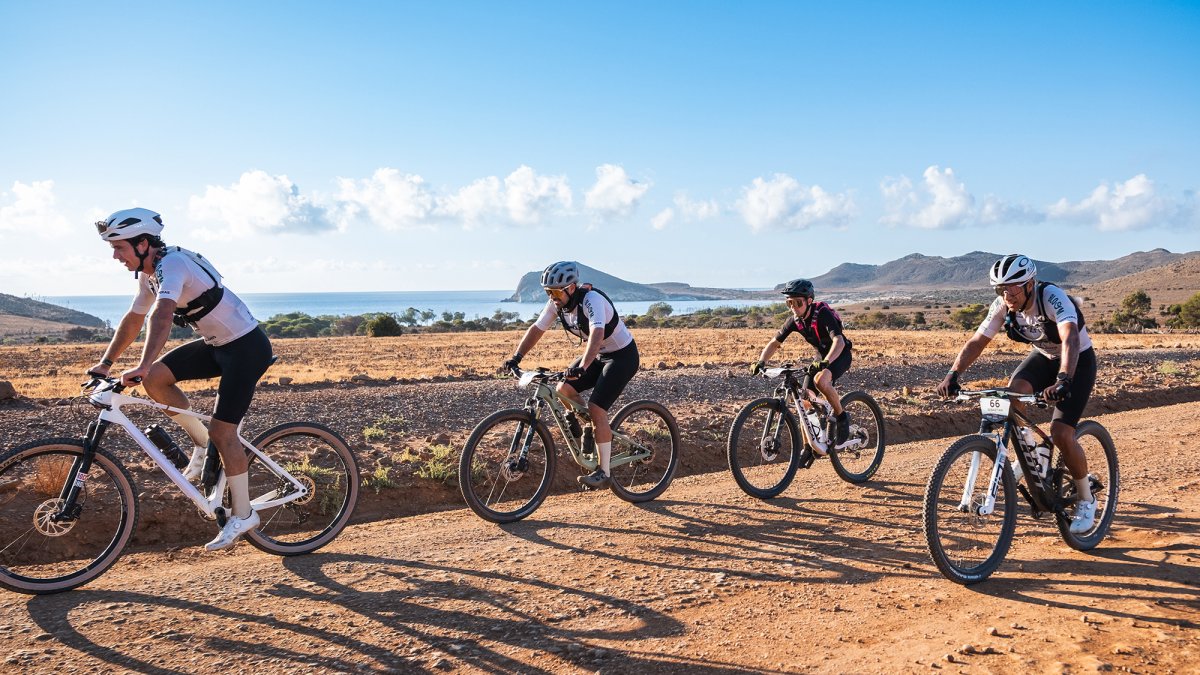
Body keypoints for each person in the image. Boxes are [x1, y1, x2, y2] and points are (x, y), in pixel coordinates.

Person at [89, 208, 274, 551]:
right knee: (157, 380)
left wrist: (142, 363)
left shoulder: (171, 266)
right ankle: (204, 446)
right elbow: (134, 318)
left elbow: (161, 314)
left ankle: (244, 513)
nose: (115, 256)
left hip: (247, 347)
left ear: (143, 243)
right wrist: (105, 363)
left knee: (224, 431)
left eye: (120, 248)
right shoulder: (149, 275)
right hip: (216, 345)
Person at [936, 253, 1098, 534]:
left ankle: (1087, 497)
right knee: (1011, 398)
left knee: (1061, 433)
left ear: (1029, 284)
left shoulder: (1051, 297)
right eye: (1002, 288)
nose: (1007, 293)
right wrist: (953, 374)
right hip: (1044, 358)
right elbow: (977, 341)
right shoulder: (1002, 305)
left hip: (1076, 361)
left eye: (1013, 286)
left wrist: (1064, 380)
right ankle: (1030, 455)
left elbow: (1070, 336)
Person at [503, 261, 639, 489]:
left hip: (622, 356)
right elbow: (537, 328)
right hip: (597, 355)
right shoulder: (557, 305)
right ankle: (589, 426)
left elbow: (597, 333)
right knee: (563, 389)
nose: (552, 297)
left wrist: (583, 366)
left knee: (597, 408)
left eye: (556, 292)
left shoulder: (592, 299)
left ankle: (604, 472)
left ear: (571, 288)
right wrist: (516, 357)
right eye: (548, 292)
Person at [751, 279, 853, 452]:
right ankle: (809, 448)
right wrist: (761, 361)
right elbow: (775, 343)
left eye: (798, 302)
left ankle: (842, 417)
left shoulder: (822, 314)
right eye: (789, 303)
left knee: (821, 380)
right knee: (804, 400)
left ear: (809, 301)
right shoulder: (795, 321)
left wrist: (826, 362)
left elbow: (839, 341)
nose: (793, 307)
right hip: (821, 357)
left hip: (839, 354)